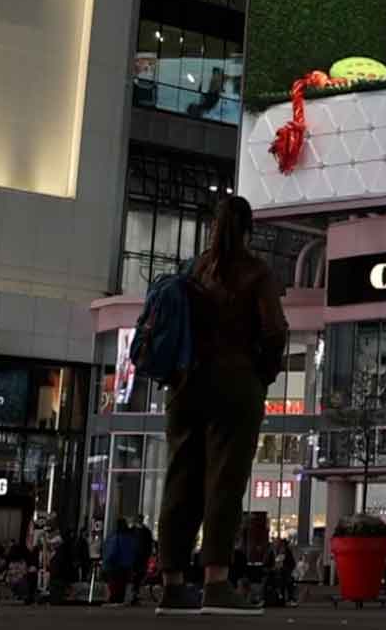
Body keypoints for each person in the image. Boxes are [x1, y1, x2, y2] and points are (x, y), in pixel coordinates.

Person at [154, 194, 289, 616]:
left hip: (184, 385)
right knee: (224, 481)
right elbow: (273, 331)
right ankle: (216, 581)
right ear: (248, 229)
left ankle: (172, 583)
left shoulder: (195, 270)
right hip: (234, 383)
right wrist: (262, 375)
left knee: (180, 479)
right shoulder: (255, 272)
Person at [130, 517, 155, 605]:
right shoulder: (145, 531)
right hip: (140, 557)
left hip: (138, 557)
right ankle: (135, 594)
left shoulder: (133, 531)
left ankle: (134, 593)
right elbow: (149, 544)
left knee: (137, 575)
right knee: (138, 575)